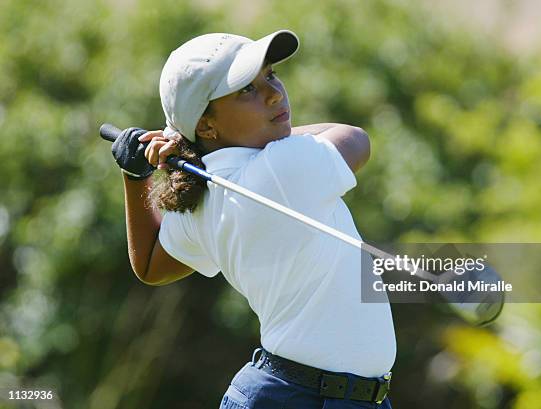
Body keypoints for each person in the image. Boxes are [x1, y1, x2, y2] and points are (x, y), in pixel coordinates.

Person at [111, 29, 396, 408]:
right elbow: (355, 138)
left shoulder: (202, 197)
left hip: (300, 394)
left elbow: (149, 265)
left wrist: (135, 176)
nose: (275, 93)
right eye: (246, 90)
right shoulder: (283, 168)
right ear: (207, 125)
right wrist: (277, 139)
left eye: (271, 75)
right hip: (306, 398)